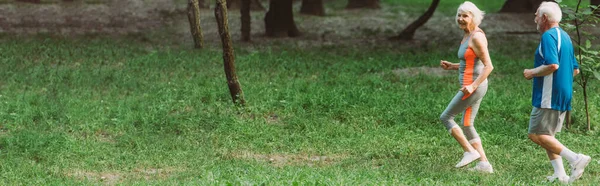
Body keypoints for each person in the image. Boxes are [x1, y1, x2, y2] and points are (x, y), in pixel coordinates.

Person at [523, 2, 591, 184]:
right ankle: (560, 174)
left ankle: (576, 159)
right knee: (548, 135)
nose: (535, 19)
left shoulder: (548, 36)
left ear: (544, 18)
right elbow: (574, 70)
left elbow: (553, 65)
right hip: (562, 93)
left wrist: (532, 72)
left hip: (549, 94)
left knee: (536, 134)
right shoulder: (565, 37)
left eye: (537, 15)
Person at [439, 1, 494, 173]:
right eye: (459, 15)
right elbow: (470, 62)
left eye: (465, 16)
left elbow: (488, 66)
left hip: (474, 87)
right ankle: (484, 164)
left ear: (474, 17)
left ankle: (469, 151)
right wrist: (453, 66)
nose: (461, 19)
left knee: (446, 117)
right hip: (470, 86)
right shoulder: (467, 35)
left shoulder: (477, 37)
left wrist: (472, 86)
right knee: (467, 123)